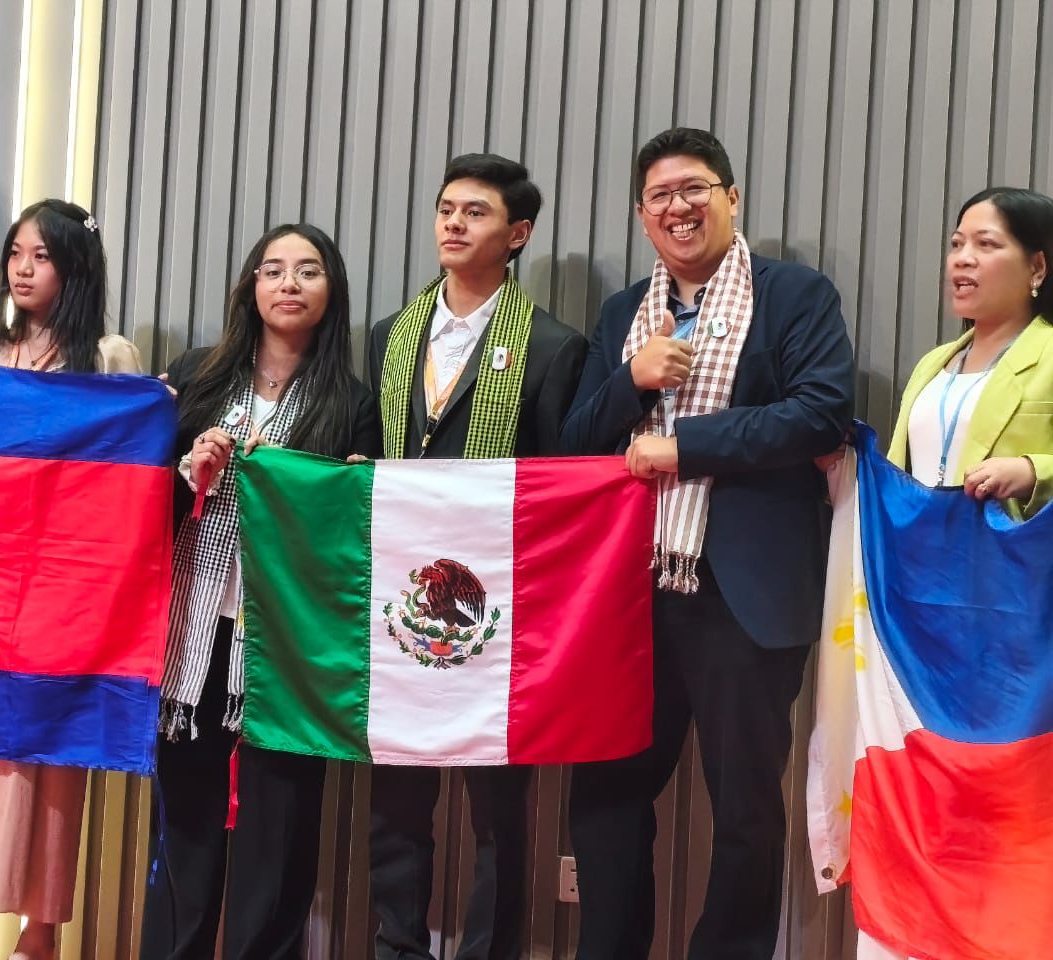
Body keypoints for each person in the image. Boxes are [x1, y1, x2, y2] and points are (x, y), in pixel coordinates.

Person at [560, 127, 853, 959]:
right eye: (660, 196)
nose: (679, 207)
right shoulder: (624, 313)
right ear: (641, 215)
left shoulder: (794, 294)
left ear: (732, 198)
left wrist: (685, 446)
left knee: (746, 810)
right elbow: (577, 442)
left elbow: (821, 412)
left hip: (744, 594)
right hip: (629, 594)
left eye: (695, 189)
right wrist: (632, 379)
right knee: (604, 796)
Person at [366, 153, 587, 960]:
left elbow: (559, 484)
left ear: (517, 234)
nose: (454, 224)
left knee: (499, 809)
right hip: (401, 599)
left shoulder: (553, 347)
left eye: (477, 212)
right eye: (446, 209)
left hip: (498, 607)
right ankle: (396, 946)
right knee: (396, 796)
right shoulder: (389, 337)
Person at [140, 223, 380, 960]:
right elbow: (136, 496)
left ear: (331, 291)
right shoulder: (198, 376)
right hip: (192, 631)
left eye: (308, 271)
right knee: (185, 821)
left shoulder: (351, 401)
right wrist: (191, 471)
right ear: (250, 285)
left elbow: (356, 529)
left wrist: (316, 485)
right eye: (272, 269)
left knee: (279, 826)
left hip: (287, 642)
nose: (288, 284)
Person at [0, 198, 140, 960]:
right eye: (15, 253)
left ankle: (39, 933)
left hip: (62, 593)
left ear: (76, 268)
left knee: (50, 756)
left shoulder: (108, 359)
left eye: (42, 256)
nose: (22, 268)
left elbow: (127, 473)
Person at [854, 187, 1052, 959]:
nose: (962, 260)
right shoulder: (934, 364)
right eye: (956, 243)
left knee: (1006, 802)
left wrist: (1033, 468)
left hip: (1015, 623)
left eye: (986, 245)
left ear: (1037, 267)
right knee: (930, 789)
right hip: (925, 619)